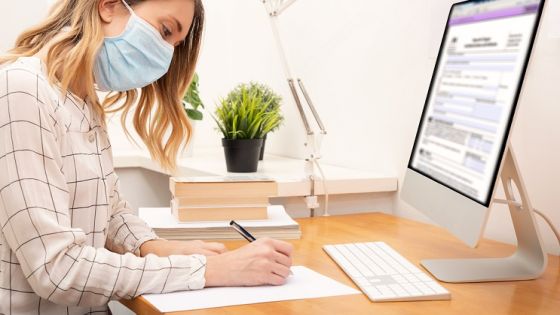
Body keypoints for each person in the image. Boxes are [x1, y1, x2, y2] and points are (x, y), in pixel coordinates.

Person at [0, 0, 293, 314]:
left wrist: (159, 248)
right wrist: (211, 271)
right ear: (109, 6)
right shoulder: (22, 90)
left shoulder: (83, 102)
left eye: (174, 45)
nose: (166, 55)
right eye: (165, 31)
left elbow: (109, 211)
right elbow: (57, 269)